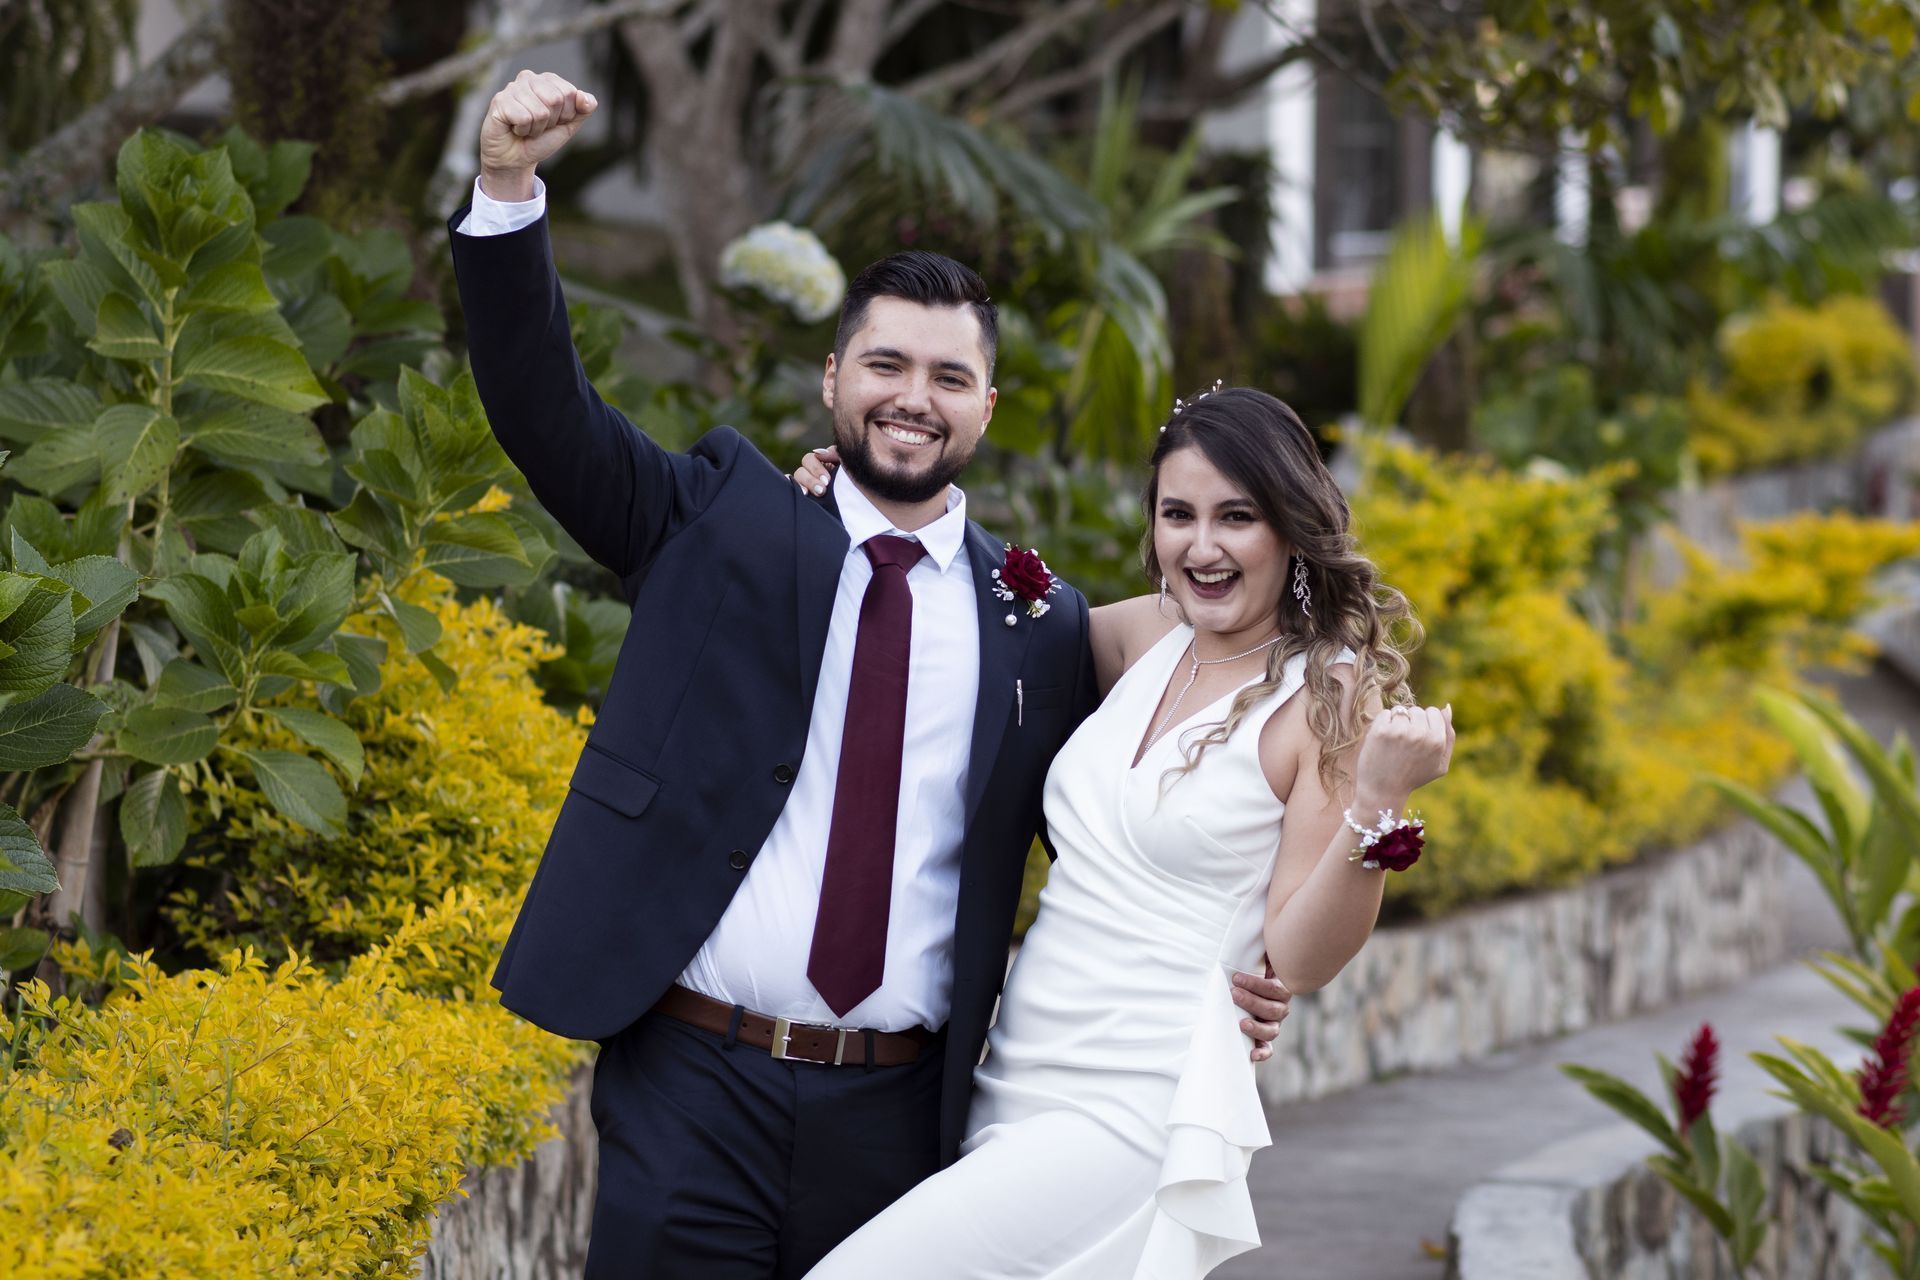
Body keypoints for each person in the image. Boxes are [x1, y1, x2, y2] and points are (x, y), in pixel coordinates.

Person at [446, 71, 1295, 1279]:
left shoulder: (1041, 620)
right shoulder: (717, 521)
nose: (915, 398)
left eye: (950, 378)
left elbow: (1160, 784)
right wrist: (509, 185)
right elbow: (546, 411)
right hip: (694, 1087)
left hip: (903, 1120)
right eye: (887, 365)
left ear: (986, 407)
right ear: (833, 378)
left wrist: (1244, 950)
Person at [789, 386, 1452, 1277]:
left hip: (1138, 1099)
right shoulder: (1149, 637)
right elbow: (964, 636)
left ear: (1290, 530)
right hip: (1018, 1072)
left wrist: (1377, 801)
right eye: (1178, 514)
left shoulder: (1325, 694)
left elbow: (1298, 956)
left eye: (1237, 517)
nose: (1202, 546)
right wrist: (853, 506)